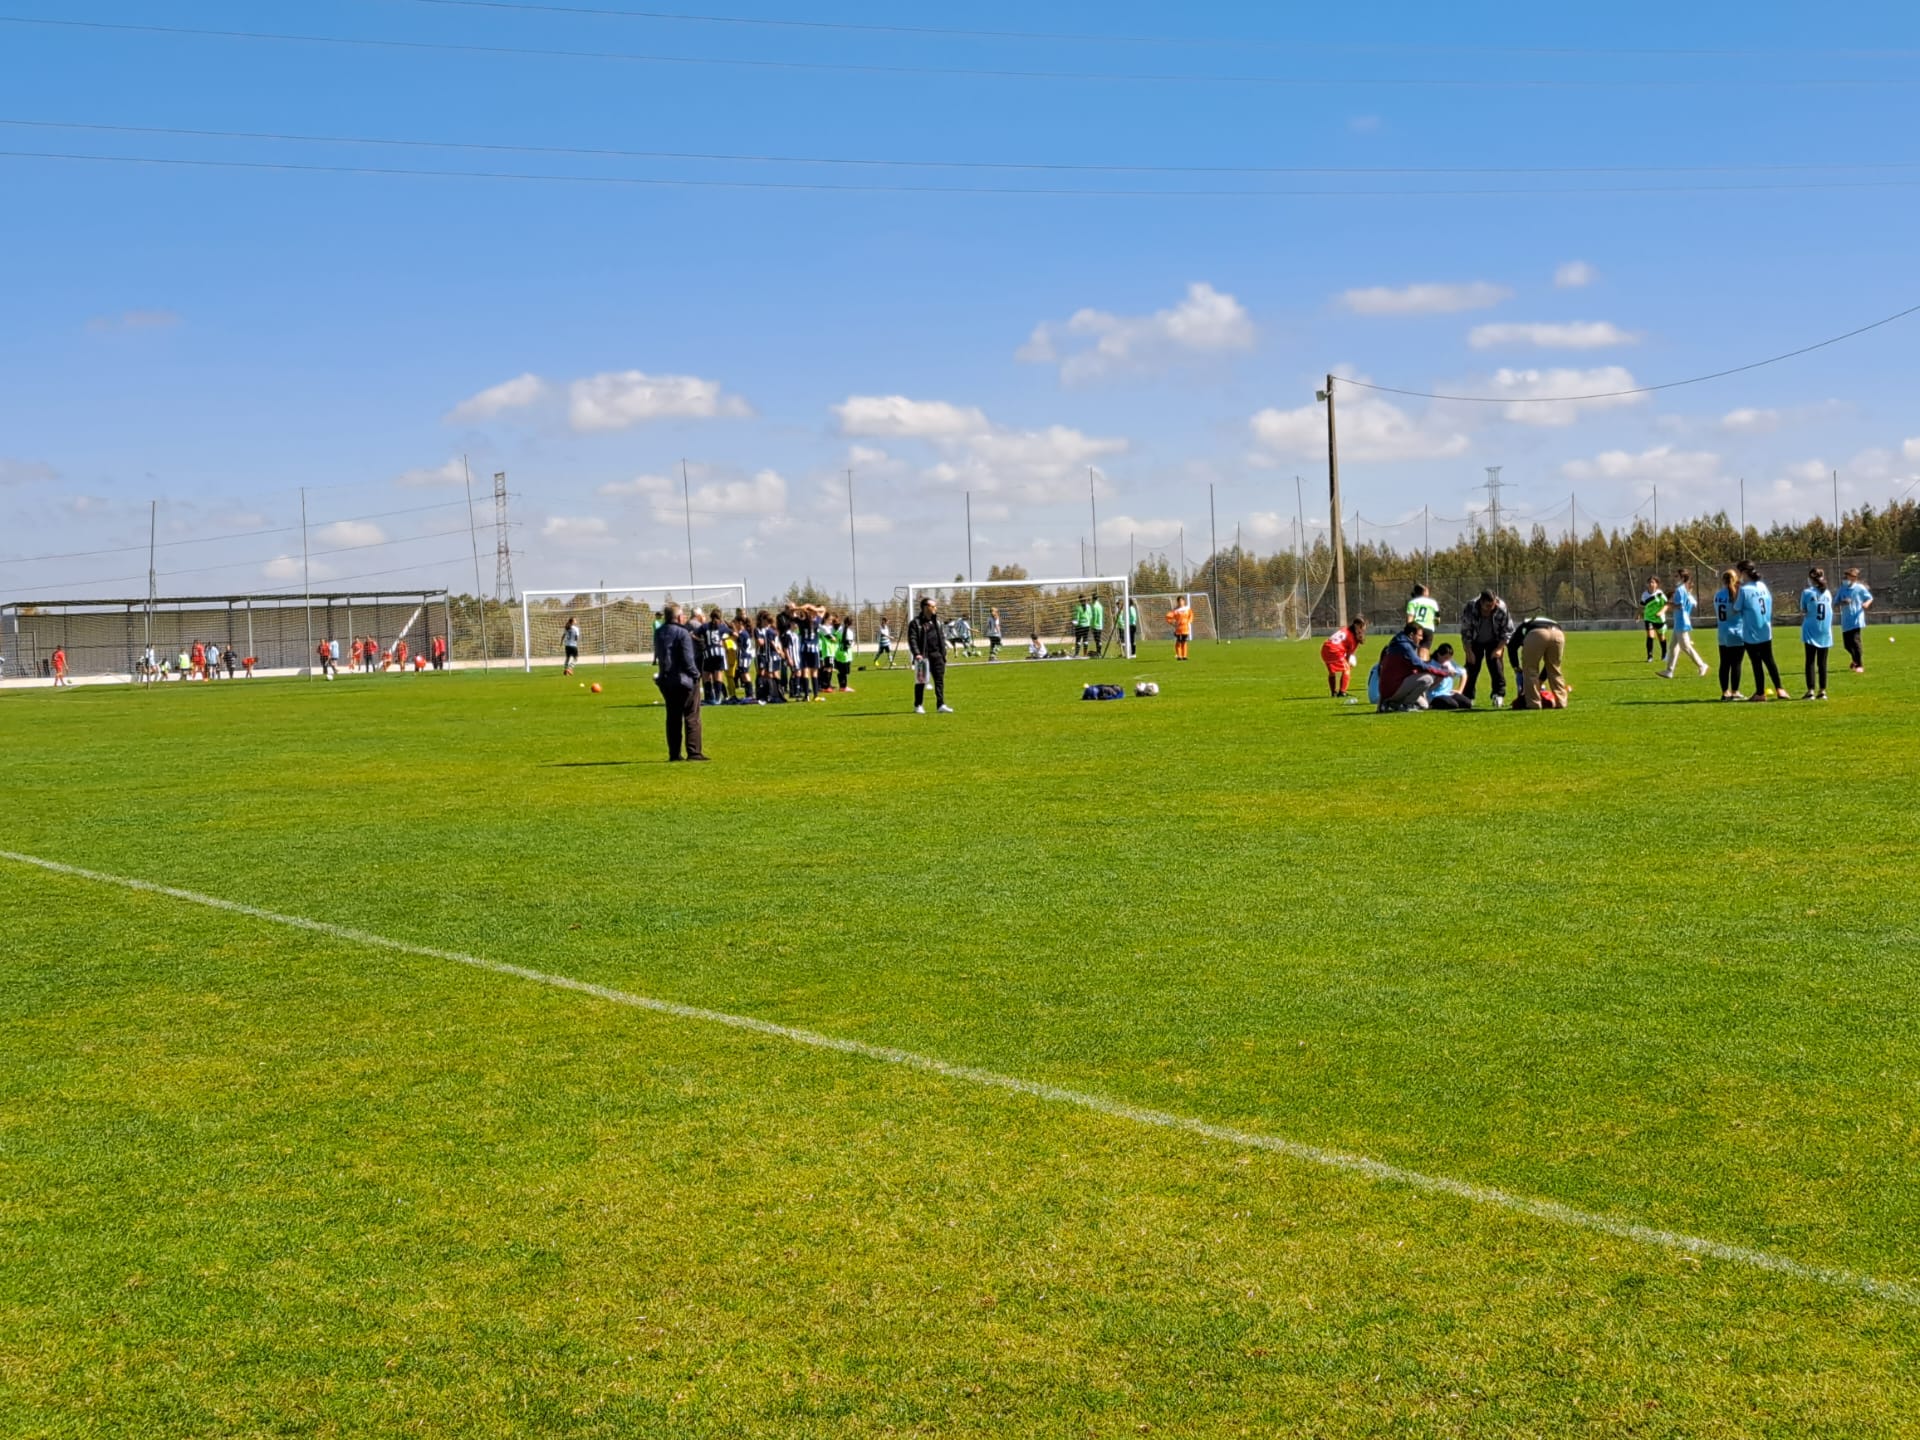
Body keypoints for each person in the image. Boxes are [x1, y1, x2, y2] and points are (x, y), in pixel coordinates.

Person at [652, 604, 708, 761]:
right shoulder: (683, 633)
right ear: (678, 617)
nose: (684, 618)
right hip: (684, 680)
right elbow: (687, 659)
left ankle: (674, 753)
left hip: (666, 680)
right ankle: (694, 752)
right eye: (682, 615)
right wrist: (696, 675)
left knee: (673, 718)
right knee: (692, 716)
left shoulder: (659, 632)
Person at [1736, 560, 1788, 702]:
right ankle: (1780, 689)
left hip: (1751, 631)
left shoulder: (1744, 590)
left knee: (1756, 663)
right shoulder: (1762, 586)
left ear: (1744, 573)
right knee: (1770, 660)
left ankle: (1760, 693)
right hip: (1765, 629)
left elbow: (1737, 608)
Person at [1374, 621, 1448, 711]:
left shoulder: (1398, 643)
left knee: (1424, 705)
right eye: (1419, 635)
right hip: (1394, 689)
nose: (1421, 638)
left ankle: (1391, 704)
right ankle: (1405, 705)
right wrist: (1441, 673)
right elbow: (1420, 666)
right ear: (1412, 635)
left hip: (1390, 689)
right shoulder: (1405, 647)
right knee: (1427, 679)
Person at [1459, 590, 1512, 708]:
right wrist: (1469, 651)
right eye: (1488, 606)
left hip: (1494, 640)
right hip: (1475, 640)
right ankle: (1468, 696)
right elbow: (1465, 631)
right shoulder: (1470, 607)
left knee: (1495, 665)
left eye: (1493, 605)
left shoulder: (1501, 607)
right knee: (1472, 667)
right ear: (1481, 602)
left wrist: (1499, 649)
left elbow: (1507, 630)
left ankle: (1498, 694)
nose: (1491, 608)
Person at [1657, 568, 1711, 679]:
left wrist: (1668, 605)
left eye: (1676, 576)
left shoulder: (1680, 590)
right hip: (1679, 621)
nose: (1674, 578)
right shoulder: (1682, 589)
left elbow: (1680, 606)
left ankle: (1702, 665)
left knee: (1685, 646)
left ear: (1682, 578)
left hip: (1682, 621)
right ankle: (1669, 671)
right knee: (1673, 647)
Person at [1506, 615, 1569, 709]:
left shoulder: (1523, 626)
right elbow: (1549, 667)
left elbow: (1511, 646)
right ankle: (1561, 702)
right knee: (1555, 669)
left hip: (1537, 633)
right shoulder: (1546, 620)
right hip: (1558, 633)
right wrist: (1541, 680)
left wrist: (1516, 666)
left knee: (1530, 670)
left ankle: (1533, 703)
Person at [907, 595, 952, 713]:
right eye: (933, 606)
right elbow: (912, 639)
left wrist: (943, 653)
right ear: (925, 607)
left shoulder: (937, 622)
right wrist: (917, 653)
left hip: (937, 656)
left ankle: (940, 705)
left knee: (939, 681)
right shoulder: (915, 623)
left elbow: (941, 637)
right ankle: (918, 705)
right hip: (923, 657)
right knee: (921, 681)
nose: (935, 608)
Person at [1800, 567, 1834, 700]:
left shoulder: (1807, 592)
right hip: (1825, 629)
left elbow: (1804, 609)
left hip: (1811, 628)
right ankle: (1823, 691)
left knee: (1810, 661)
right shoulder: (1827, 593)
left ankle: (1810, 691)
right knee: (1823, 662)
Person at [1712, 568, 1745, 701]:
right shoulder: (1737, 595)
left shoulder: (1718, 595)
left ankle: (1725, 692)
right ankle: (1735, 691)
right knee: (1736, 664)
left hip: (1722, 633)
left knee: (1724, 663)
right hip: (1737, 632)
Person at [1319, 616, 1367, 703]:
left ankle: (1333, 692)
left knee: (1332, 672)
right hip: (1334, 651)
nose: (1362, 631)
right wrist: (1348, 663)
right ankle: (1342, 692)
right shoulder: (1352, 638)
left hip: (1325, 648)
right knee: (1347, 669)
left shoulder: (1345, 629)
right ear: (1356, 626)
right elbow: (1348, 656)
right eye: (1361, 628)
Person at [1835, 567, 1874, 673]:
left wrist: (1866, 603)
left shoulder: (1860, 588)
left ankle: (1859, 665)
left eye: (1852, 577)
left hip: (1857, 619)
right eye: (1848, 576)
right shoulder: (1842, 589)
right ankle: (1855, 660)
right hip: (1846, 620)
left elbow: (1869, 598)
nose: (1849, 578)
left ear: (1855, 578)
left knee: (1856, 642)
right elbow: (1835, 602)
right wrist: (1843, 601)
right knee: (1847, 645)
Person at [1426, 643, 1473, 710]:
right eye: (1445, 658)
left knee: (1467, 703)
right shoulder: (1431, 665)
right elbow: (1429, 688)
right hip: (1435, 694)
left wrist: (1460, 690)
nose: (1447, 660)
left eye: (1449, 658)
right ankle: (1432, 705)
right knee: (1453, 705)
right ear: (1438, 654)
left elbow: (1463, 673)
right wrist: (1442, 675)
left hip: (1448, 693)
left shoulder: (1450, 663)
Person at [700, 609, 731, 703]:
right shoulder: (722, 627)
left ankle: (710, 697)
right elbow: (735, 634)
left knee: (706, 675)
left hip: (708, 653)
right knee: (718, 675)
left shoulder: (705, 626)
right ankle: (718, 698)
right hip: (719, 653)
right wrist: (724, 640)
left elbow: (693, 635)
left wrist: (702, 641)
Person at [1639, 576, 1669, 663]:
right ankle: (1650, 656)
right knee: (1650, 636)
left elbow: (1667, 605)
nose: (1651, 584)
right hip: (1648, 618)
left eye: (1653, 582)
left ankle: (1664, 654)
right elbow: (1641, 606)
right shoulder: (1644, 594)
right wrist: (1638, 614)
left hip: (1659, 619)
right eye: (1649, 582)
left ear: (1657, 584)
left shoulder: (1660, 594)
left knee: (1661, 637)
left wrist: (1661, 612)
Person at [1166, 596, 1193, 661]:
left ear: (1184, 601)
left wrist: (1189, 621)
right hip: (1178, 629)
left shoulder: (1187, 609)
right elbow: (1168, 617)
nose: (1180, 602)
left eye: (1181, 601)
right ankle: (1179, 656)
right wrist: (1173, 623)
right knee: (1179, 642)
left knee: (1184, 641)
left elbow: (1191, 616)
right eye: (1179, 601)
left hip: (1185, 628)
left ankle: (1184, 656)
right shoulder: (1175, 610)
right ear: (1177, 602)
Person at [1087, 593, 1106, 658]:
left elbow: (1094, 617)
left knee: (1097, 640)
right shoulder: (1100, 606)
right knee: (1099, 640)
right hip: (1100, 625)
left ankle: (1099, 653)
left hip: (1096, 625)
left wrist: (1092, 626)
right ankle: (1099, 652)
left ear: (1093, 598)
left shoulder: (1094, 606)